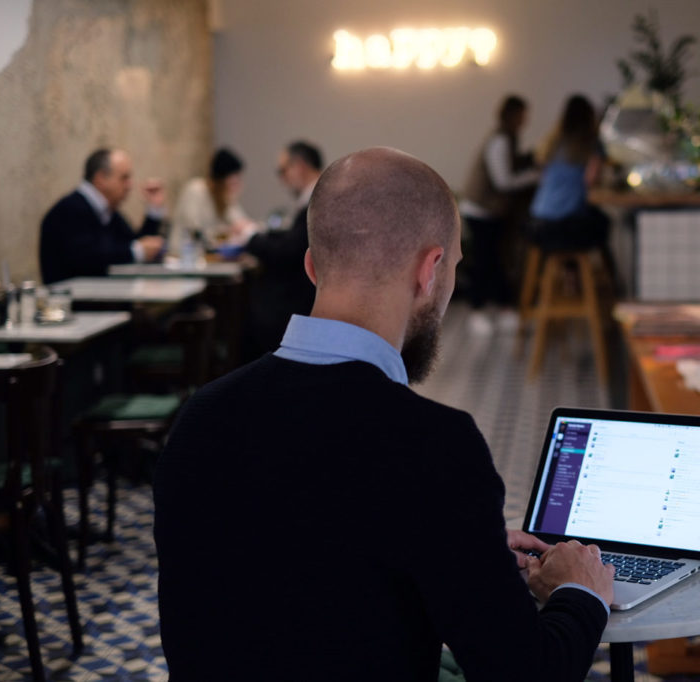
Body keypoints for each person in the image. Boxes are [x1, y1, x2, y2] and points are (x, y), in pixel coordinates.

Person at [154, 147, 614, 681]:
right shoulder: (434, 445)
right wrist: (582, 590)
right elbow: (527, 673)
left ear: (310, 266)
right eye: (453, 271)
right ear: (430, 269)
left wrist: (465, 544)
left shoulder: (200, 417)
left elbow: (292, 569)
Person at [232, 140, 323, 358]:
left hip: (299, 299)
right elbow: (295, 239)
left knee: (243, 306)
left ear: (300, 166)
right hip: (304, 292)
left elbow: (288, 253)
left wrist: (251, 237)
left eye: (283, 170)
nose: (282, 179)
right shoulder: (316, 198)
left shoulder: (317, 201)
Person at [460, 94, 539, 335]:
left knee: (494, 259)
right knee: (486, 260)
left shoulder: (508, 140)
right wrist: (536, 176)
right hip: (481, 210)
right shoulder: (500, 141)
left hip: (489, 211)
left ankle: (503, 308)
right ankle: (478, 310)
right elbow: (503, 181)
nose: (526, 120)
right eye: (523, 115)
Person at [39, 148, 166, 285]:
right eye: (124, 178)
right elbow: (88, 260)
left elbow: (134, 243)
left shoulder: (107, 211)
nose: (130, 185)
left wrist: (154, 209)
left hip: (104, 298)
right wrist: (137, 251)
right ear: (100, 179)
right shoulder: (69, 211)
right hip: (74, 303)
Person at [529, 95, 615, 277]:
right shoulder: (592, 144)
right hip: (564, 225)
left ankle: (569, 278)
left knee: (590, 220)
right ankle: (604, 284)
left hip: (538, 222)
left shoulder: (552, 142)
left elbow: (542, 174)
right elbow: (591, 180)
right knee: (602, 223)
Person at [169, 147, 252, 254]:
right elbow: (195, 231)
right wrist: (226, 234)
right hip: (183, 258)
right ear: (220, 181)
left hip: (208, 260)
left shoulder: (225, 198)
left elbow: (240, 223)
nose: (236, 186)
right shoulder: (196, 190)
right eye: (232, 183)